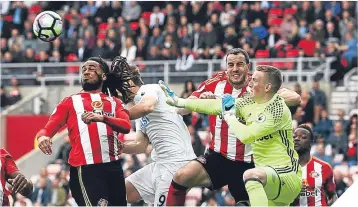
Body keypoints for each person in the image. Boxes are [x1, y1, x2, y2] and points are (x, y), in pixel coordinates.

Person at [159, 48, 301, 205]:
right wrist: (184, 101)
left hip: (251, 161)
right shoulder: (215, 83)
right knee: (181, 176)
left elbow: (295, 98)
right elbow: (183, 109)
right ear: (226, 67)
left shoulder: (257, 85)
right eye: (231, 64)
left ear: (248, 67)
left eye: (240, 64)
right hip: (220, 156)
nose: (235, 69)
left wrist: (267, 98)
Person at [35, 56, 131, 206]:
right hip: (86, 169)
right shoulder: (69, 102)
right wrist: (42, 138)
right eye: (84, 69)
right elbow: (48, 128)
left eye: (92, 69)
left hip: (113, 167)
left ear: (103, 76)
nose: (86, 72)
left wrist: (102, 118)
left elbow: (126, 126)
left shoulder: (115, 102)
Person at [108, 57, 196, 206]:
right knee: (117, 194)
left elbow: (147, 106)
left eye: (118, 86)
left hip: (177, 164)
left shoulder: (149, 89)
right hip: (160, 164)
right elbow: (140, 145)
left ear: (129, 82)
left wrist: (111, 119)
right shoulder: (137, 108)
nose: (117, 92)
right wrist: (120, 147)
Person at [292, 124, 338, 206]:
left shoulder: (324, 167)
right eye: (294, 136)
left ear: (311, 142)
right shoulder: (284, 167)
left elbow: (333, 196)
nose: (297, 139)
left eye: (303, 137)